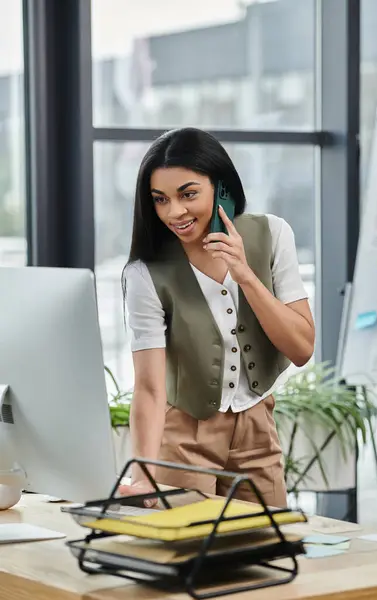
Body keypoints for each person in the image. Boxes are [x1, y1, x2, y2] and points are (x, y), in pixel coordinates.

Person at [120, 127, 315, 507]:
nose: (174, 212)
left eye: (188, 194)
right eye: (160, 199)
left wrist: (244, 273)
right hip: (183, 437)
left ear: (221, 188)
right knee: (189, 556)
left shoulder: (273, 235)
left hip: (258, 428)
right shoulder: (145, 273)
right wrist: (143, 473)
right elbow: (149, 386)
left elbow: (302, 348)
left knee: (263, 553)